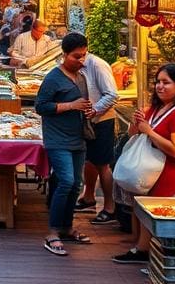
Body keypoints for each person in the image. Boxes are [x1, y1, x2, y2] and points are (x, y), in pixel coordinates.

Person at [113, 64, 175, 265]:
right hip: (154, 177)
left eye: (166, 82)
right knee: (147, 216)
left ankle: (158, 260)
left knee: (163, 221)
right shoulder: (155, 109)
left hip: (173, 177)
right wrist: (137, 124)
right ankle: (143, 251)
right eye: (158, 82)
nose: (160, 86)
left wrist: (149, 131)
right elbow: (134, 135)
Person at [35, 33, 93, 256]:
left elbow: (83, 104)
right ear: (65, 55)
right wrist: (70, 106)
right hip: (57, 138)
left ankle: (67, 227)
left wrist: (89, 110)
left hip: (78, 137)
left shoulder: (81, 78)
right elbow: (41, 107)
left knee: (76, 184)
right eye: (76, 57)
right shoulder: (53, 78)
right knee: (66, 181)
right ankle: (52, 232)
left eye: (84, 56)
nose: (81, 61)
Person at [72, 34, 120, 224]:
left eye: (80, 55)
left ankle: (110, 207)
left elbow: (112, 94)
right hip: (87, 121)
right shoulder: (75, 65)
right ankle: (88, 197)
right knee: (89, 161)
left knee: (102, 164)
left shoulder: (97, 65)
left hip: (102, 121)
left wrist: (95, 110)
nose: (79, 59)